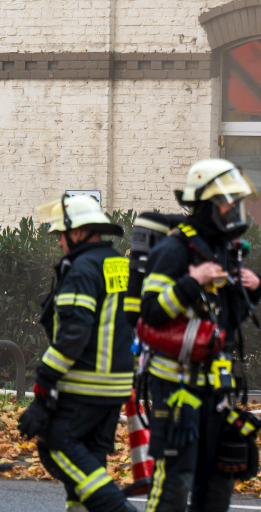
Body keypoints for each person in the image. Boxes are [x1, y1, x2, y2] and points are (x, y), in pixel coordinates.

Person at [136, 159, 261, 512]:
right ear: (207, 204)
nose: (233, 209)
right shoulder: (173, 251)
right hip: (176, 391)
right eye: (227, 202)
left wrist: (251, 291)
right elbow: (151, 311)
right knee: (174, 484)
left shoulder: (221, 250)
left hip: (217, 392)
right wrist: (192, 282)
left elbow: (225, 325)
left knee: (218, 483)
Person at [19, 194, 136, 512]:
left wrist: (44, 385)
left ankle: (117, 508)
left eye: (60, 235)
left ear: (78, 232)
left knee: (57, 445)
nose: (58, 243)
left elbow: (73, 334)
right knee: (91, 457)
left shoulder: (82, 269)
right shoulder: (118, 264)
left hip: (85, 383)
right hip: (115, 385)